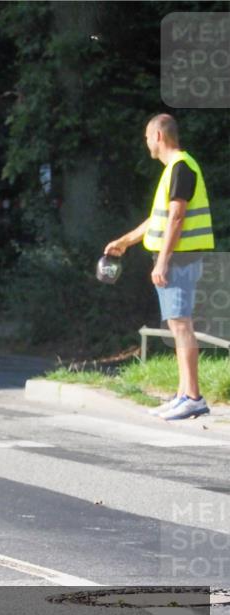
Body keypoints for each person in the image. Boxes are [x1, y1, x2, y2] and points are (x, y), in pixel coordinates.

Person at [104, 113, 216, 421]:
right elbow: (159, 219)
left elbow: (177, 218)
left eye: (146, 137)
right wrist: (126, 241)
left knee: (181, 326)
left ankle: (193, 397)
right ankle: (183, 395)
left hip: (179, 258)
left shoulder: (180, 167)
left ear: (158, 136)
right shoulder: (174, 169)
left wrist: (163, 261)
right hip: (176, 257)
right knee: (177, 326)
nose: (146, 143)